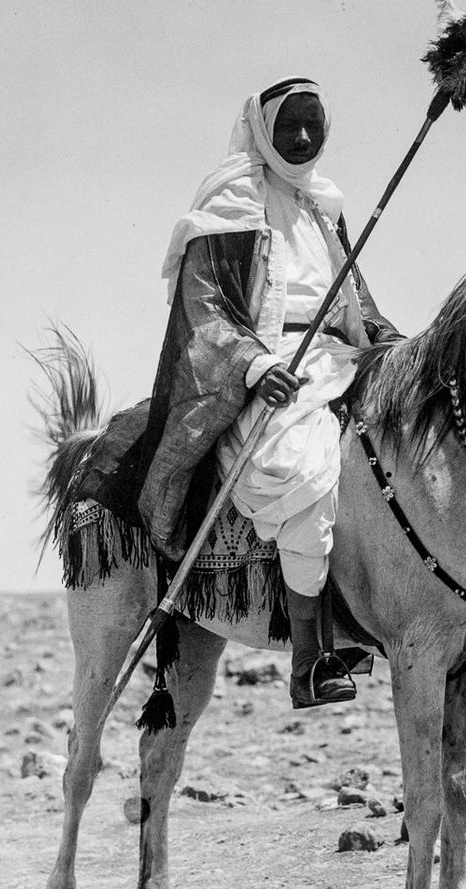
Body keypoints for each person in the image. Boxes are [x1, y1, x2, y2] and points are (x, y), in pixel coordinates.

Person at [139, 77, 400, 708]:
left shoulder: (324, 210)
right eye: (291, 125)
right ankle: (311, 662)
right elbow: (202, 310)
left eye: (316, 124)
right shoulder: (232, 202)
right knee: (305, 472)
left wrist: (401, 351)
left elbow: (357, 306)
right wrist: (255, 366)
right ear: (263, 129)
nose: (305, 137)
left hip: (341, 359)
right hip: (267, 369)